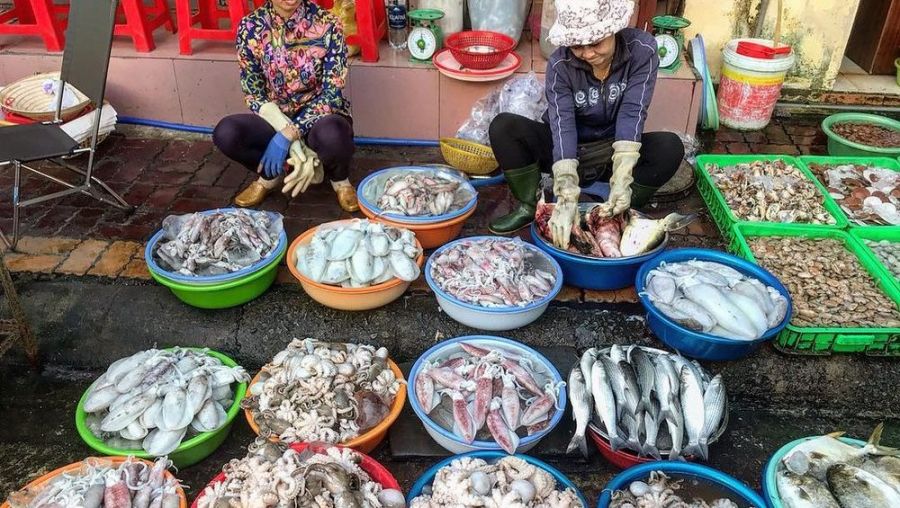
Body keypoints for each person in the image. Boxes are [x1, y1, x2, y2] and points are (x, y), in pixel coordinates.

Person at [487, 0, 684, 248]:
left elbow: (633, 112)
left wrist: (623, 178)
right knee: (504, 127)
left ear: (613, 30)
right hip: (566, 150)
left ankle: (619, 210)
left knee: (670, 147)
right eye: (578, 46)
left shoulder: (642, 50)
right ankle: (530, 206)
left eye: (596, 43)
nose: (588, 53)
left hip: (610, 150)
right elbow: (562, 124)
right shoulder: (560, 65)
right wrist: (566, 192)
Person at [212, 0, 359, 212]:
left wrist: (290, 134)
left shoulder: (328, 24)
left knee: (334, 135)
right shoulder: (251, 27)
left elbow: (332, 93)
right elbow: (254, 93)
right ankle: (272, 174)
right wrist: (283, 130)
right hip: (275, 118)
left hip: (320, 119)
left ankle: (339, 180)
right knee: (227, 133)